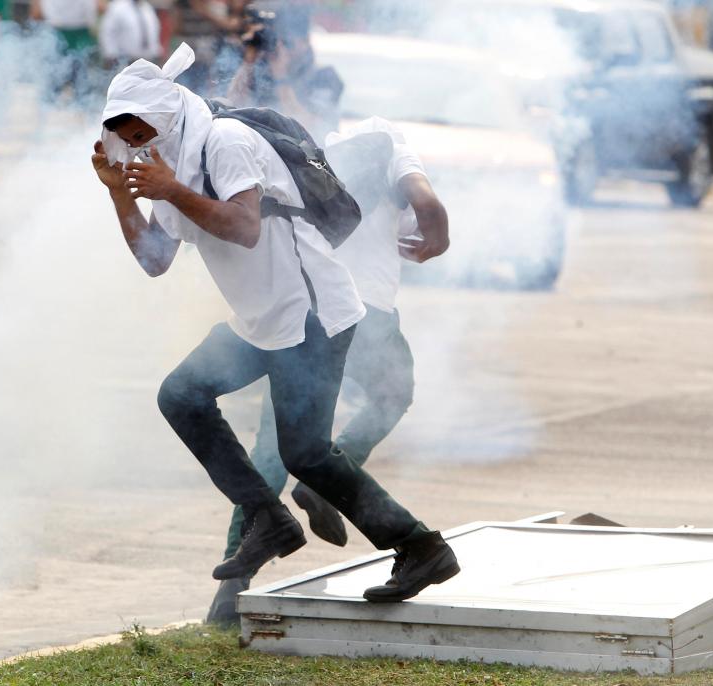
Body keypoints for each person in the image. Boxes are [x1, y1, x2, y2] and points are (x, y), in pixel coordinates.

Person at [91, 46, 460, 607]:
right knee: (182, 397)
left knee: (306, 454)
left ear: (167, 115)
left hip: (314, 315)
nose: (136, 140)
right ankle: (269, 517)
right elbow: (153, 258)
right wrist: (122, 194)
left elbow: (243, 227)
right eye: (124, 132)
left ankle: (420, 547)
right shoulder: (172, 163)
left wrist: (170, 191)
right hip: (263, 322)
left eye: (141, 127)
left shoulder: (225, 142)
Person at [206, 117, 450, 625]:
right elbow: (425, 204)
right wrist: (437, 239)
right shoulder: (394, 146)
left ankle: (231, 590)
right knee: (392, 393)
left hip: (303, 311)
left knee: (274, 444)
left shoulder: (316, 154)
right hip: (365, 314)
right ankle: (327, 480)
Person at [226, 6, 342, 143]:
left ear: (305, 41)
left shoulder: (324, 76)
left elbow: (309, 127)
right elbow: (230, 109)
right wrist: (249, 61)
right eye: (275, 40)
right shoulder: (262, 72)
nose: (279, 47)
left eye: (286, 41)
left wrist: (280, 76)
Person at [31, 0, 101, 108]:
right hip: (65, 29)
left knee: (68, 71)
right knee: (63, 71)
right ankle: (57, 100)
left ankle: (54, 100)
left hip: (71, 29)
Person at [99, 0, 162, 70]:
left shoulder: (147, 8)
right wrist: (110, 55)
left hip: (147, 62)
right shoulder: (117, 7)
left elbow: (154, 32)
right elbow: (108, 33)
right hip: (124, 62)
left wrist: (156, 53)